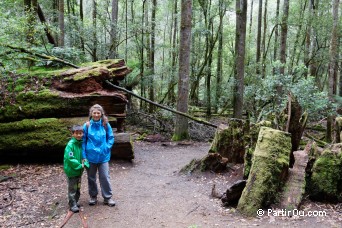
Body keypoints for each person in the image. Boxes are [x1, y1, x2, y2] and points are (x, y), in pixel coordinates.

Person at [82, 104, 116, 207]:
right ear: (91, 114)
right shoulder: (87, 125)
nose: (96, 115)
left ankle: (107, 197)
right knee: (91, 177)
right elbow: (83, 141)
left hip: (103, 156)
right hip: (90, 156)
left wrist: (107, 147)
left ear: (101, 114)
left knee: (104, 177)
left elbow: (111, 137)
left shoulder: (105, 124)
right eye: (94, 113)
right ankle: (93, 196)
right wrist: (84, 156)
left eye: (98, 113)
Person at [63, 125, 89, 213]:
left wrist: (85, 161)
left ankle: (75, 201)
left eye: (80, 133)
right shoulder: (70, 145)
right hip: (72, 171)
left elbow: (83, 154)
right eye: (77, 133)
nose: (79, 135)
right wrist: (79, 165)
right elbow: (69, 158)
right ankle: (72, 204)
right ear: (73, 134)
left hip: (78, 171)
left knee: (78, 187)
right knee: (72, 188)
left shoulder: (80, 143)